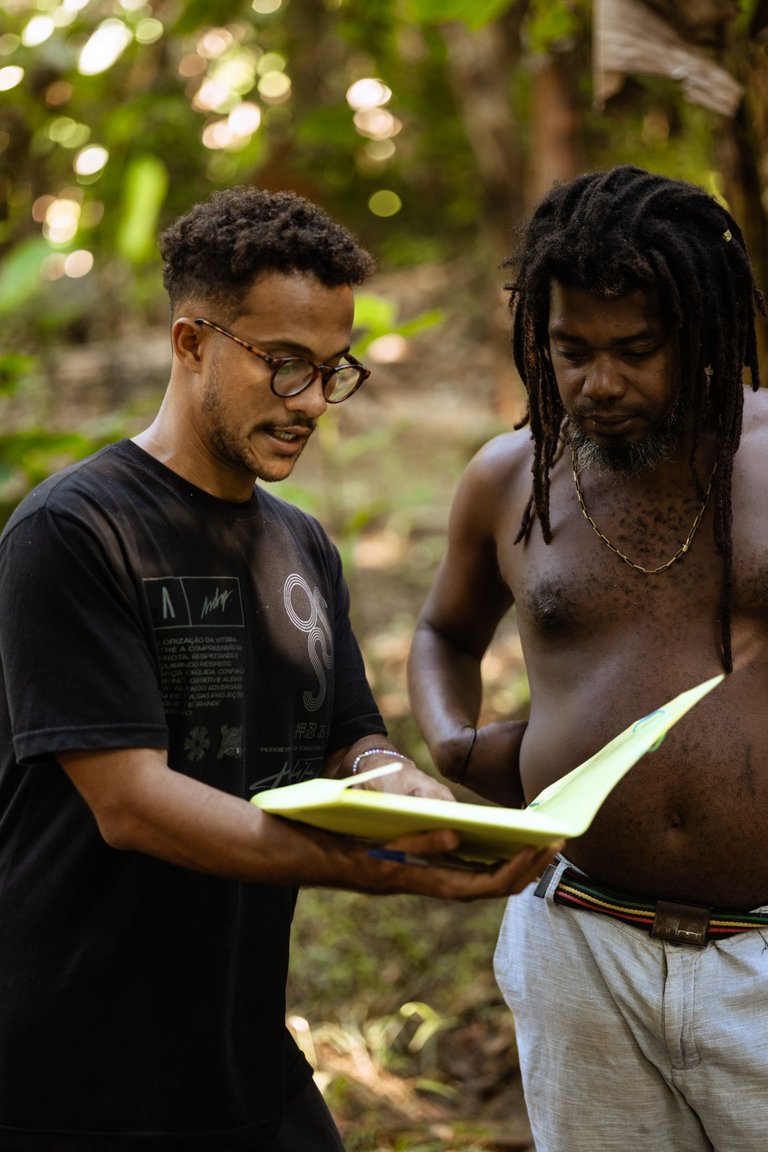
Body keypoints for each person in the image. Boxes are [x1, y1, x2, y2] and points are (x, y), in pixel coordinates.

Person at [0, 186, 559, 1152]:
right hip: (69, 1068)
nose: (309, 404)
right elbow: (130, 803)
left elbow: (351, 737)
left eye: (333, 372)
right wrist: (382, 873)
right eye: (284, 366)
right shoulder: (72, 531)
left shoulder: (300, 544)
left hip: (236, 1047)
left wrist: (415, 802)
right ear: (191, 344)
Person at [407, 164, 768, 1151]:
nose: (598, 384)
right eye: (571, 351)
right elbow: (444, 632)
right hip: (581, 942)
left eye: (637, 351)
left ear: (702, 334)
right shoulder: (509, 478)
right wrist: (450, 738)